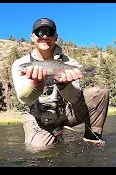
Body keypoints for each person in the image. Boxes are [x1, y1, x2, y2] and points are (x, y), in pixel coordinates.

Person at [11, 17, 110, 148]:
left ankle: (92, 138)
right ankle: (53, 133)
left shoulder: (70, 62)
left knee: (100, 93)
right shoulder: (19, 64)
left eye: (49, 32)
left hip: (67, 111)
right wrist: (36, 84)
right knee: (39, 150)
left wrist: (64, 84)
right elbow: (24, 99)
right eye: (40, 32)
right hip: (38, 118)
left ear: (56, 37)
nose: (45, 36)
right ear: (32, 37)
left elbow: (73, 98)